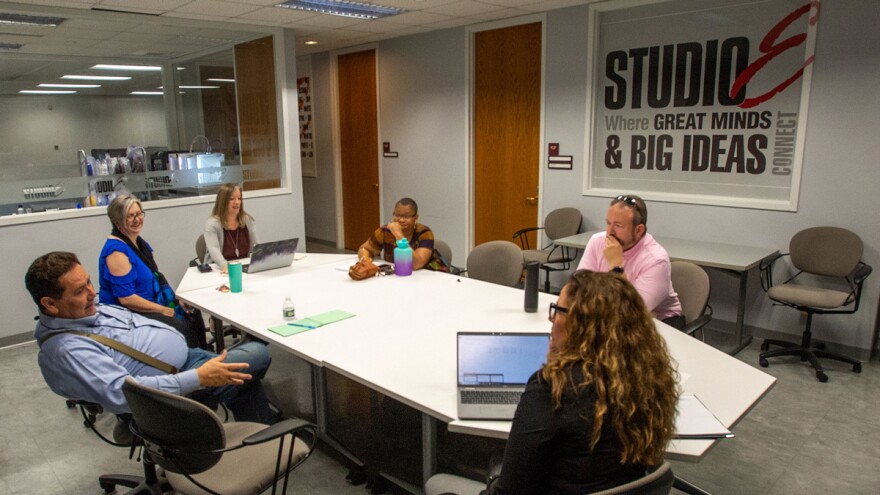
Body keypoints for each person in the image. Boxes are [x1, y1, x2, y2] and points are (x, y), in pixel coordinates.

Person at [482, 270, 678, 494]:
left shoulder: (552, 388)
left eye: (558, 311)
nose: (552, 319)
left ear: (582, 324)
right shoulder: (645, 377)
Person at [26, 251, 275, 424]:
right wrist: (198, 378)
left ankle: (255, 431)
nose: (92, 293)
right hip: (175, 387)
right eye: (80, 290)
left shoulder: (85, 309)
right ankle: (231, 421)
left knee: (242, 379)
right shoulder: (67, 349)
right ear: (50, 304)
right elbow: (124, 394)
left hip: (186, 361)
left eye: (89, 282)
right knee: (256, 354)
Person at [98, 194, 205, 348]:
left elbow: (156, 279)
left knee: (192, 312)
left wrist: (176, 300)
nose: (137, 219)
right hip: (131, 314)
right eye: (130, 216)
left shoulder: (138, 244)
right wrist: (162, 309)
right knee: (182, 327)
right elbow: (126, 299)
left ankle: (206, 358)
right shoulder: (116, 252)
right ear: (117, 221)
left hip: (151, 303)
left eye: (139, 214)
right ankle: (197, 364)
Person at [576, 194, 683, 328]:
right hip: (609, 314)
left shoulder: (656, 260)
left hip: (658, 323)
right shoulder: (597, 241)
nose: (610, 232)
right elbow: (579, 289)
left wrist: (616, 266)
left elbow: (631, 312)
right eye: (608, 223)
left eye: (618, 226)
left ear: (639, 230)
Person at [357, 197, 447, 271]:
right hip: (397, 275)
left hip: (428, 275)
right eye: (397, 215)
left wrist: (399, 235)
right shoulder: (385, 231)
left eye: (407, 216)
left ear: (416, 218)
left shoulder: (425, 233)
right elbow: (365, 248)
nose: (401, 220)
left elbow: (416, 264)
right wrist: (365, 260)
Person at [204, 183, 257, 274]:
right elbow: (214, 250)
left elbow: (255, 248)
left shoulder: (247, 220)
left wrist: (260, 261)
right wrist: (225, 265)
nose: (237, 202)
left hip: (243, 270)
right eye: (232, 199)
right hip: (219, 271)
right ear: (223, 201)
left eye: (239, 198)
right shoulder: (212, 224)